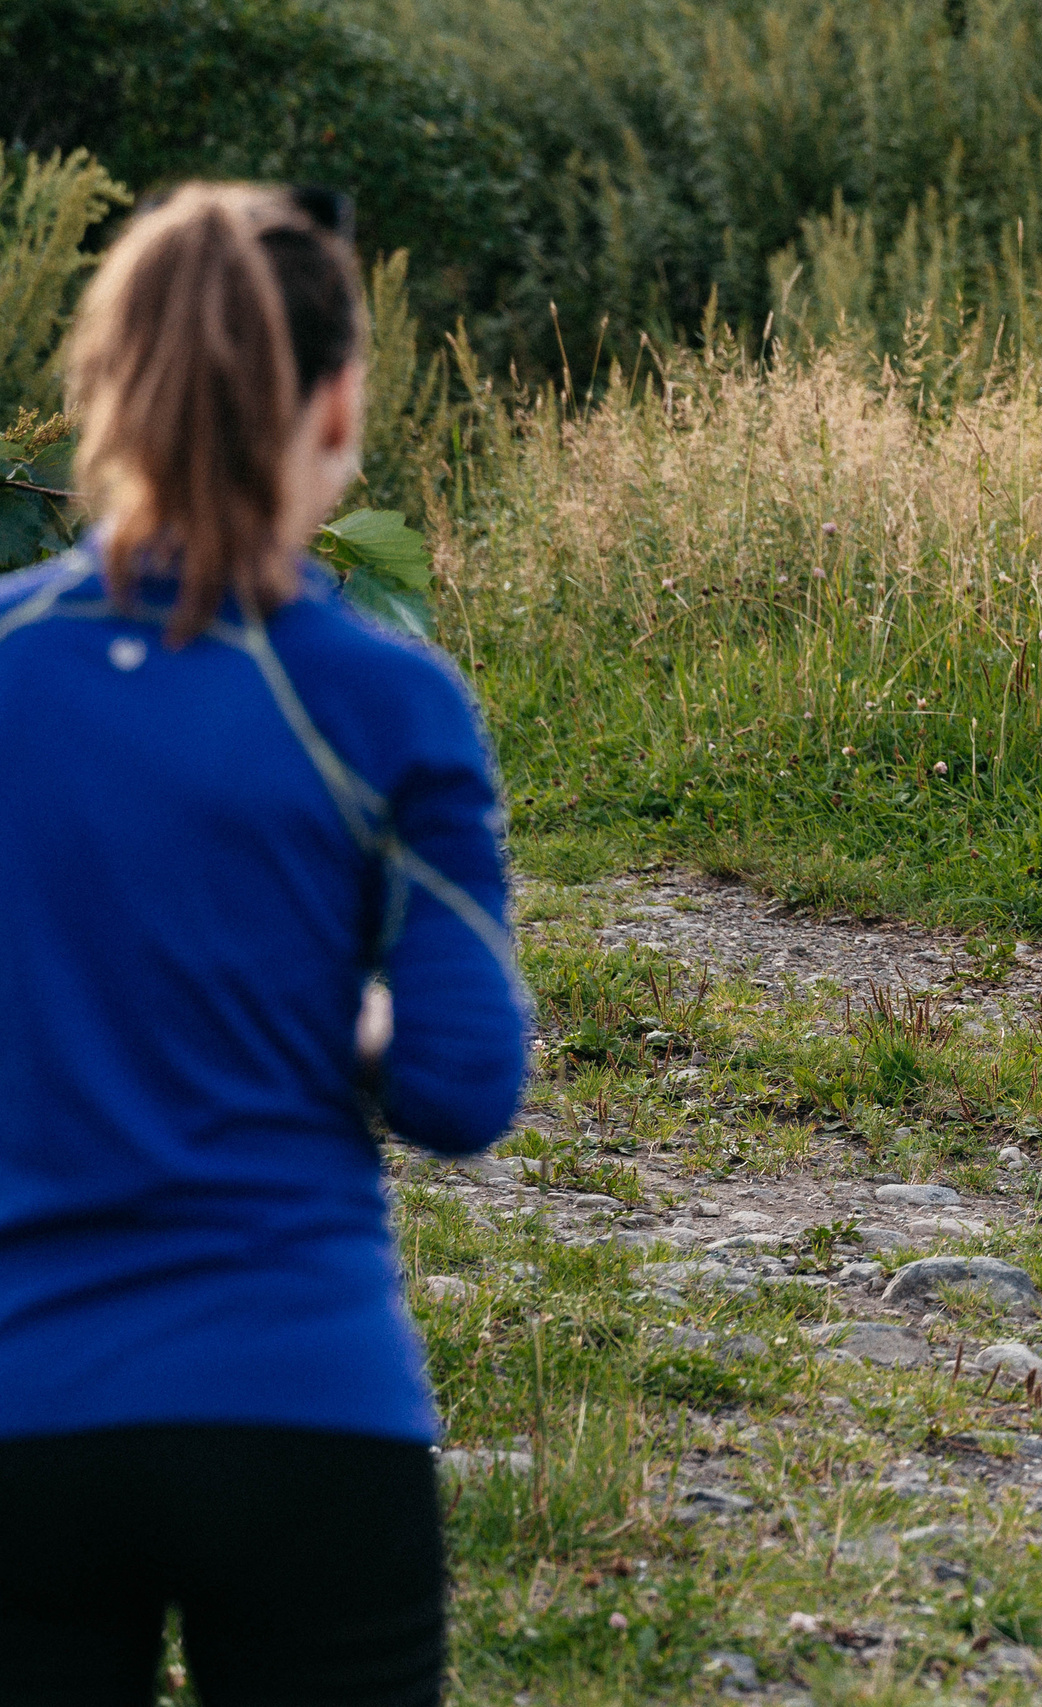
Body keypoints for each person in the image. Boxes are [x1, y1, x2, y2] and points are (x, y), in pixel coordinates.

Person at [0, 183, 527, 1706]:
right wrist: (338, 1022)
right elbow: (463, 1085)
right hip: (307, 1409)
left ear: (106, 387)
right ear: (338, 406)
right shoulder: (390, 701)